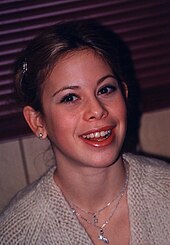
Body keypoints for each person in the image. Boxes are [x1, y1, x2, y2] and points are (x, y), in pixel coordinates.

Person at [0, 20, 170, 245]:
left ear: (124, 95)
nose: (97, 110)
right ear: (37, 121)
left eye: (105, 89)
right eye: (70, 97)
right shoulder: (16, 234)